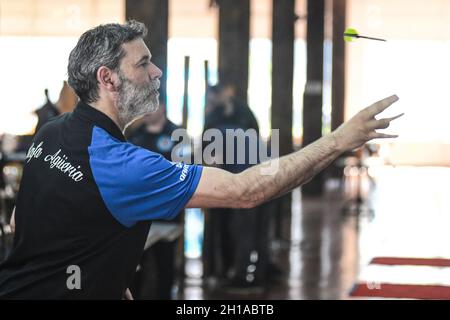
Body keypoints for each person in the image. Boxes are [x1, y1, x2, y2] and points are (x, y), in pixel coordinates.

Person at [0, 20, 402, 299]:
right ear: (108, 79)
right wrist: (337, 140)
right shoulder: (123, 164)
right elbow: (246, 190)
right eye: (143, 63)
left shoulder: (52, 133)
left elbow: (22, 221)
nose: (157, 72)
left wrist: (96, 274)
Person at [127, 104, 187, 299]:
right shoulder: (134, 136)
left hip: (167, 216)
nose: (145, 112)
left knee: (165, 267)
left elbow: (186, 173)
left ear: (161, 107)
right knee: (134, 269)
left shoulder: (178, 135)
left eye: (149, 107)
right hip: (138, 217)